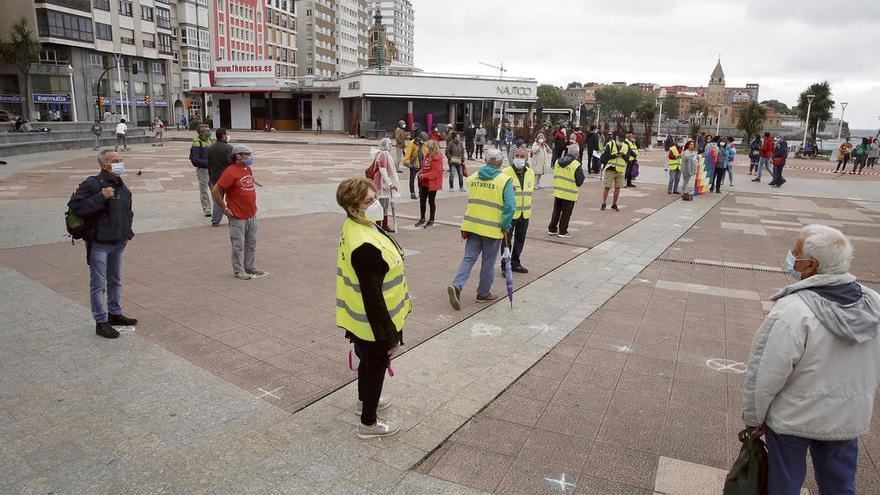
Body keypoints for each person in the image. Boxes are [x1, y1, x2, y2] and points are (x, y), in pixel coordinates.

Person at [742, 224, 880, 495]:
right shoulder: (874, 304)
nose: (791, 255)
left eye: (795, 252)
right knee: (840, 486)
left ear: (810, 265)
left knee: (783, 485)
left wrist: (753, 417)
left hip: (793, 418)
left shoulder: (793, 311)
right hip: (847, 417)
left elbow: (765, 372)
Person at [335, 178, 411, 439]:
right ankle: (369, 423)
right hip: (375, 319)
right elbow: (372, 296)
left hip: (362, 318)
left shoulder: (358, 225)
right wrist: (388, 333)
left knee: (367, 361)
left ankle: (363, 402)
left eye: (376, 197)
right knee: (376, 364)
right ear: (353, 209)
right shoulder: (364, 245)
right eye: (369, 201)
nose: (377, 204)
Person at [67, 149, 136, 339]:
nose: (120, 163)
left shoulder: (121, 185)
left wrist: (127, 234)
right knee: (99, 284)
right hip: (99, 243)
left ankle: (114, 313)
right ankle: (100, 321)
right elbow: (76, 206)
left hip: (118, 242)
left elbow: (127, 212)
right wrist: (100, 196)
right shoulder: (92, 184)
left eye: (121, 159)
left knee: (115, 280)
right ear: (104, 165)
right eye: (115, 160)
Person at [447, 149, 515, 309]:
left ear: (485, 161)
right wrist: (506, 225)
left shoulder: (474, 177)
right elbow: (510, 207)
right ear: (500, 163)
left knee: (468, 258)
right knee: (488, 262)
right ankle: (483, 293)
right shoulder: (504, 180)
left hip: (472, 226)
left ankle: (457, 286)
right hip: (492, 228)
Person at [212, 144, 267, 280]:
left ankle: (249, 267)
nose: (250, 157)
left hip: (251, 213)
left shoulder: (247, 168)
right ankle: (238, 270)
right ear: (238, 156)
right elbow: (215, 191)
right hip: (237, 215)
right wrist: (224, 208)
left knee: (251, 242)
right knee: (238, 245)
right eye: (247, 155)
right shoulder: (230, 172)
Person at [502, 147, 535, 273]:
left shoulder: (530, 173)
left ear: (526, 158)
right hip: (510, 214)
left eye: (522, 156)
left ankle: (515, 262)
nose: (519, 159)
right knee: (506, 241)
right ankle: (505, 264)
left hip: (524, 214)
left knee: (520, 240)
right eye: (517, 156)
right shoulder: (505, 172)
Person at [548, 144, 585, 238]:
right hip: (569, 192)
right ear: (577, 154)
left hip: (558, 191)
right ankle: (563, 231)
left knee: (556, 211)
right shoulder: (576, 165)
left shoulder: (558, 161)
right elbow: (579, 181)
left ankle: (552, 228)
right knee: (566, 213)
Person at [370, 138, 400, 233]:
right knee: (381, 204)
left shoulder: (385, 154)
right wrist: (390, 183)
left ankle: (385, 224)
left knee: (386, 203)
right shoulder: (382, 155)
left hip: (385, 183)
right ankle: (379, 226)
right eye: (390, 144)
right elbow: (382, 170)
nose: (391, 146)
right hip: (381, 182)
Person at [207, 128, 234, 227]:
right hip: (227, 179)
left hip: (214, 177)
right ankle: (232, 217)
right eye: (227, 134)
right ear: (223, 136)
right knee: (231, 198)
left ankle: (215, 220)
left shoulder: (211, 148)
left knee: (217, 200)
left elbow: (209, 164)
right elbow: (233, 164)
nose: (228, 135)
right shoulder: (229, 148)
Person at [415, 139, 443, 228]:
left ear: (432, 148)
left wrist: (424, 175)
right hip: (424, 181)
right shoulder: (427, 155)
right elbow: (424, 167)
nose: (426, 148)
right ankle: (422, 218)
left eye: (428, 147)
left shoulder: (437, 157)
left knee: (431, 201)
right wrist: (420, 172)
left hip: (432, 182)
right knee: (422, 200)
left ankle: (431, 220)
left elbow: (437, 172)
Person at [190, 124, 214, 217]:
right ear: (202, 132)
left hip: (212, 169)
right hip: (203, 170)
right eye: (207, 130)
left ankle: (217, 208)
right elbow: (196, 160)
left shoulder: (209, 140)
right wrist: (208, 163)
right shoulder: (197, 143)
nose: (209, 132)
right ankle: (207, 209)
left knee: (215, 189)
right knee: (204, 190)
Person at [601, 134, 629, 212]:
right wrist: (615, 155)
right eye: (619, 140)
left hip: (620, 170)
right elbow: (604, 156)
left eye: (622, 141)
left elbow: (628, 159)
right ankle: (604, 203)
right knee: (607, 187)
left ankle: (614, 203)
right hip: (610, 169)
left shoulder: (626, 146)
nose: (620, 142)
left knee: (618, 188)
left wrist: (623, 156)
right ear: (617, 138)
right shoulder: (610, 144)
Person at [403, 132, 427, 200]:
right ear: (420, 138)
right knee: (412, 179)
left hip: (421, 165)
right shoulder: (412, 143)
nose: (424, 141)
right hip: (414, 164)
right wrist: (407, 162)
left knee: (421, 180)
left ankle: (421, 192)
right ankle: (412, 193)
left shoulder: (424, 144)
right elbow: (408, 153)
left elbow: (425, 154)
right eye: (423, 140)